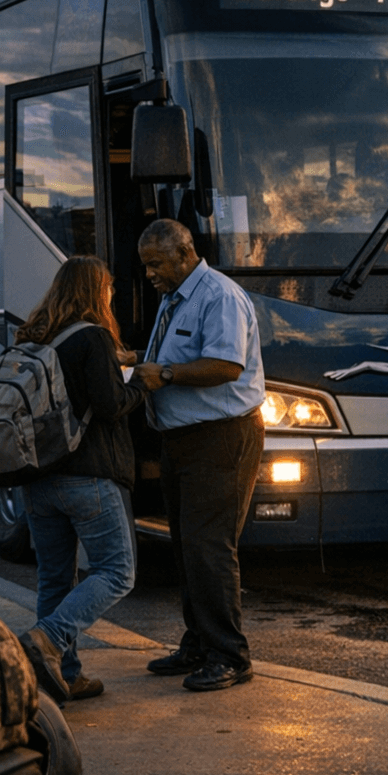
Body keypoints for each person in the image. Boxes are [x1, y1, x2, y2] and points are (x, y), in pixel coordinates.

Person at [132, 219, 265, 692]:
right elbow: (178, 355)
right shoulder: (175, 297)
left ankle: (229, 655)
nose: (149, 274)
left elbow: (226, 365)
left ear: (185, 254)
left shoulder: (219, 297)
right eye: (146, 265)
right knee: (188, 545)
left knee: (209, 547)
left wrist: (165, 375)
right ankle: (199, 643)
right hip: (183, 438)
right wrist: (137, 361)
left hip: (220, 437)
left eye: (156, 264)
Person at [13, 256, 145, 704]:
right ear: (96, 290)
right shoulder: (93, 336)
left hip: (37, 478)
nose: (111, 294)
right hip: (87, 476)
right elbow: (110, 405)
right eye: (108, 287)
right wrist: (143, 384)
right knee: (117, 571)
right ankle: (48, 639)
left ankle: (65, 675)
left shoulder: (35, 336)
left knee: (55, 577)